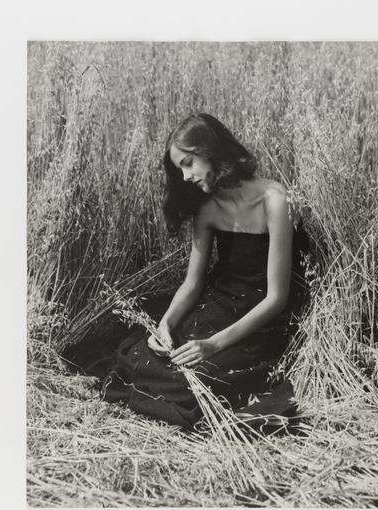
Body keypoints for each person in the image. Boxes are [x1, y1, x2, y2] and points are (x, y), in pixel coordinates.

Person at [99, 113, 310, 430]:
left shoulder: (274, 201)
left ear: (211, 150)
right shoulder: (208, 208)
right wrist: (165, 325)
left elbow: (277, 298)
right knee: (144, 354)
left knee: (197, 378)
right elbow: (193, 282)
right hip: (221, 302)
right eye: (179, 168)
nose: (185, 177)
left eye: (188, 163)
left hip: (262, 318)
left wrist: (212, 345)